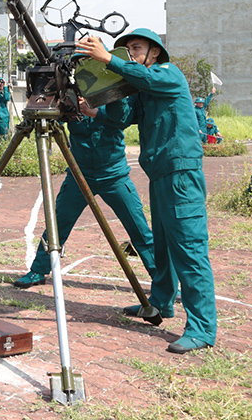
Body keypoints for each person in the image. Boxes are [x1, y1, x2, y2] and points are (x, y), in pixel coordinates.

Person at [77, 28, 217, 355]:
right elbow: (123, 118)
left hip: (180, 173)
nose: (131, 54)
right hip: (160, 174)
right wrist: (99, 104)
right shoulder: (141, 89)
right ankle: (161, 303)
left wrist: (109, 60)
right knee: (166, 244)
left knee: (189, 247)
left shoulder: (168, 75)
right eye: (126, 50)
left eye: (136, 48)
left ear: (154, 52)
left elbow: (145, 79)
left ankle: (202, 328)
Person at [13, 98, 156, 288]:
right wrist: (52, 102)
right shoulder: (72, 94)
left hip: (114, 174)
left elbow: (124, 119)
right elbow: (55, 119)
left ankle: (162, 283)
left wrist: (95, 112)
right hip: (79, 174)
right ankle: (38, 270)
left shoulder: (113, 93)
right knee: (58, 224)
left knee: (138, 228)